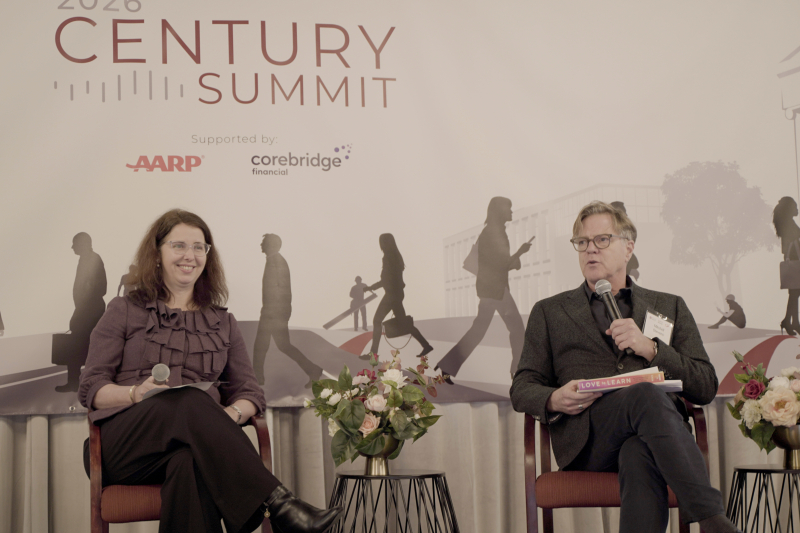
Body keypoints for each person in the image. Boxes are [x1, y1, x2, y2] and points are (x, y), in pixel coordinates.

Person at [78, 210, 341, 533]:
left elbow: (250, 392)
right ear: (157, 253)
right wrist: (135, 394)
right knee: (187, 400)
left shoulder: (222, 322)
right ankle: (278, 503)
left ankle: (280, 506)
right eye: (179, 246)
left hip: (197, 448)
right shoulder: (124, 310)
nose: (190, 255)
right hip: (125, 448)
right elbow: (91, 387)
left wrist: (223, 419)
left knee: (189, 462)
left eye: (199, 247)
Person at [510, 201, 740, 533]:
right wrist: (553, 399)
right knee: (643, 393)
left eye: (602, 240)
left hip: (656, 438)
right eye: (582, 242)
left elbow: (704, 386)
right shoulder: (550, 311)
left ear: (628, 247)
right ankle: (712, 519)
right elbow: (522, 386)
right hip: (589, 441)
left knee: (637, 453)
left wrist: (652, 349)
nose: (590, 249)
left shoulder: (669, 305)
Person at [435, 197, 531, 383]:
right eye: (508, 208)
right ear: (500, 210)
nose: (511, 211)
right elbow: (501, 265)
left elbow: (495, 264)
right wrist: (520, 252)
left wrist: (515, 259)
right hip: (496, 290)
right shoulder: (495, 233)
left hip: (490, 289)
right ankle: (518, 374)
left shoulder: (490, 232)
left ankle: (448, 365)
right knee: (518, 330)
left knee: (478, 331)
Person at [252, 233, 323, 388]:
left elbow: (281, 290)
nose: (261, 245)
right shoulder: (275, 260)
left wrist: (275, 313)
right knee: (280, 346)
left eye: (263, 242)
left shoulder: (277, 262)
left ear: (271, 245)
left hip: (273, 313)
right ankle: (313, 370)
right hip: (275, 312)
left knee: (262, 345)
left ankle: (257, 379)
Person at [362, 233, 432, 358]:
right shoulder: (396, 256)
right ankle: (426, 345)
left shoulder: (388, 257)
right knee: (404, 323)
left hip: (391, 295)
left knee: (377, 320)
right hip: (397, 294)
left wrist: (370, 288)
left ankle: (373, 354)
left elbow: (385, 280)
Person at [56, 232, 107, 392]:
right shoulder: (88, 258)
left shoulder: (91, 259)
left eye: (74, 243)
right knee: (82, 346)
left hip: (88, 310)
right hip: (88, 308)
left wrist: (78, 313)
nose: (72, 247)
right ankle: (78, 383)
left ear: (83, 244)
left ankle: (77, 383)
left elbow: (93, 288)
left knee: (80, 346)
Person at [773, 196, 800, 335]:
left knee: (795, 293)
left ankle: (792, 321)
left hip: (793, 260)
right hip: (795, 260)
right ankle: (790, 321)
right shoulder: (789, 224)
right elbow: (793, 243)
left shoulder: (787, 222)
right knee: (795, 293)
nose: (797, 209)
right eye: (795, 207)